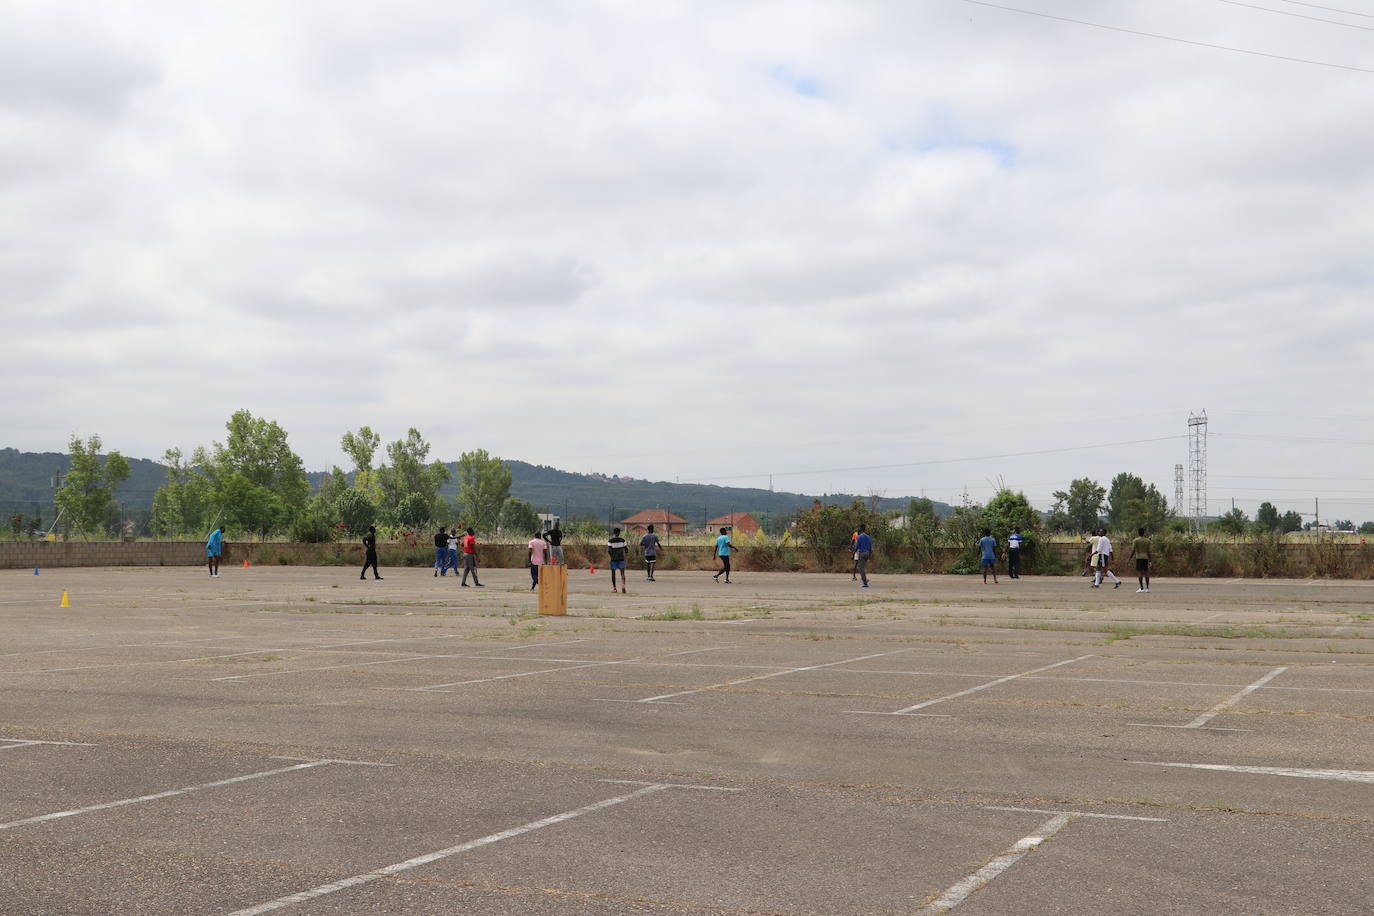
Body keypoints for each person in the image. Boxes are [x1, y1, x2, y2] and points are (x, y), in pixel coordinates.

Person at [1129, 527, 1152, 593]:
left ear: (1138, 533)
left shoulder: (1135, 540)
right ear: (1144, 533)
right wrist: (1150, 560)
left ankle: (1141, 588)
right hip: (1146, 558)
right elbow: (1149, 551)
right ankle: (1147, 588)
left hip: (1139, 557)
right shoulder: (1147, 540)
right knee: (1146, 572)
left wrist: (1129, 558)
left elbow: (1133, 550)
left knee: (1140, 572)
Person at [607, 527, 629, 593]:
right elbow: (626, 550)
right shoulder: (622, 540)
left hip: (613, 559)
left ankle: (614, 588)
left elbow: (609, 551)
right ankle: (623, 585)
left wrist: (612, 556)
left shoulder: (610, 541)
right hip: (621, 559)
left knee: (613, 574)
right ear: (619, 533)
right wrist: (625, 556)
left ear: (614, 533)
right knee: (622, 573)